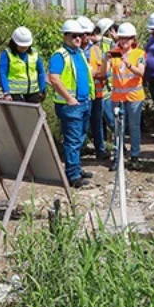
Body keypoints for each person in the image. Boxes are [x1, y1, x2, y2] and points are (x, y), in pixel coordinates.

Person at [49, 20, 95, 188]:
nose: (78, 38)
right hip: (70, 106)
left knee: (80, 138)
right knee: (73, 140)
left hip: (84, 102)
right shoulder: (60, 55)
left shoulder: (80, 53)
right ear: (66, 36)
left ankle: (76, 167)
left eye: (80, 35)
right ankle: (73, 175)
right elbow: (54, 78)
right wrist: (69, 98)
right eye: (74, 35)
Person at [109, 22, 146, 168]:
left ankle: (135, 155)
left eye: (127, 38)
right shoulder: (114, 52)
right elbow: (105, 71)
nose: (124, 41)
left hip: (134, 97)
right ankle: (117, 157)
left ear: (133, 40)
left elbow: (141, 72)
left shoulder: (139, 54)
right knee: (118, 128)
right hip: (117, 97)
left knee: (134, 126)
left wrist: (129, 64)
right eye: (121, 38)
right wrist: (106, 60)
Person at [77, 16, 108, 160]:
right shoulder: (74, 51)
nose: (86, 37)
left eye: (88, 34)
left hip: (97, 92)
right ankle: (80, 149)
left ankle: (100, 149)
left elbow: (104, 71)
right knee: (81, 124)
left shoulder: (96, 50)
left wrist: (96, 73)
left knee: (97, 122)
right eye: (84, 34)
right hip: (81, 94)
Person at [0, 26, 45, 103]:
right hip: (15, 94)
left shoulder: (34, 53)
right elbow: (2, 74)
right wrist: (6, 92)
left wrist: (42, 88)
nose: (24, 48)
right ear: (14, 43)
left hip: (33, 93)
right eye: (21, 46)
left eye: (26, 46)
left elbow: (41, 72)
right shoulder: (7, 54)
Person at [95, 18, 117, 143]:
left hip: (108, 89)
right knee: (106, 120)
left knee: (110, 120)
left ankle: (118, 145)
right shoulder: (103, 44)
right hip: (103, 89)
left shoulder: (109, 44)